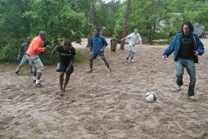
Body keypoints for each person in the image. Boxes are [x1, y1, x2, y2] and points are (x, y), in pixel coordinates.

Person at [162, 21, 204, 101]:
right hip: (180, 60)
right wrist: (165, 54)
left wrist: (199, 51)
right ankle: (179, 83)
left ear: (190, 29)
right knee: (179, 74)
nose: (185, 30)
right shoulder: (178, 36)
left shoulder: (194, 37)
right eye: (184, 28)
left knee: (193, 78)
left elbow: (200, 46)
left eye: (187, 29)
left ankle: (191, 93)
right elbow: (172, 46)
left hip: (189, 60)